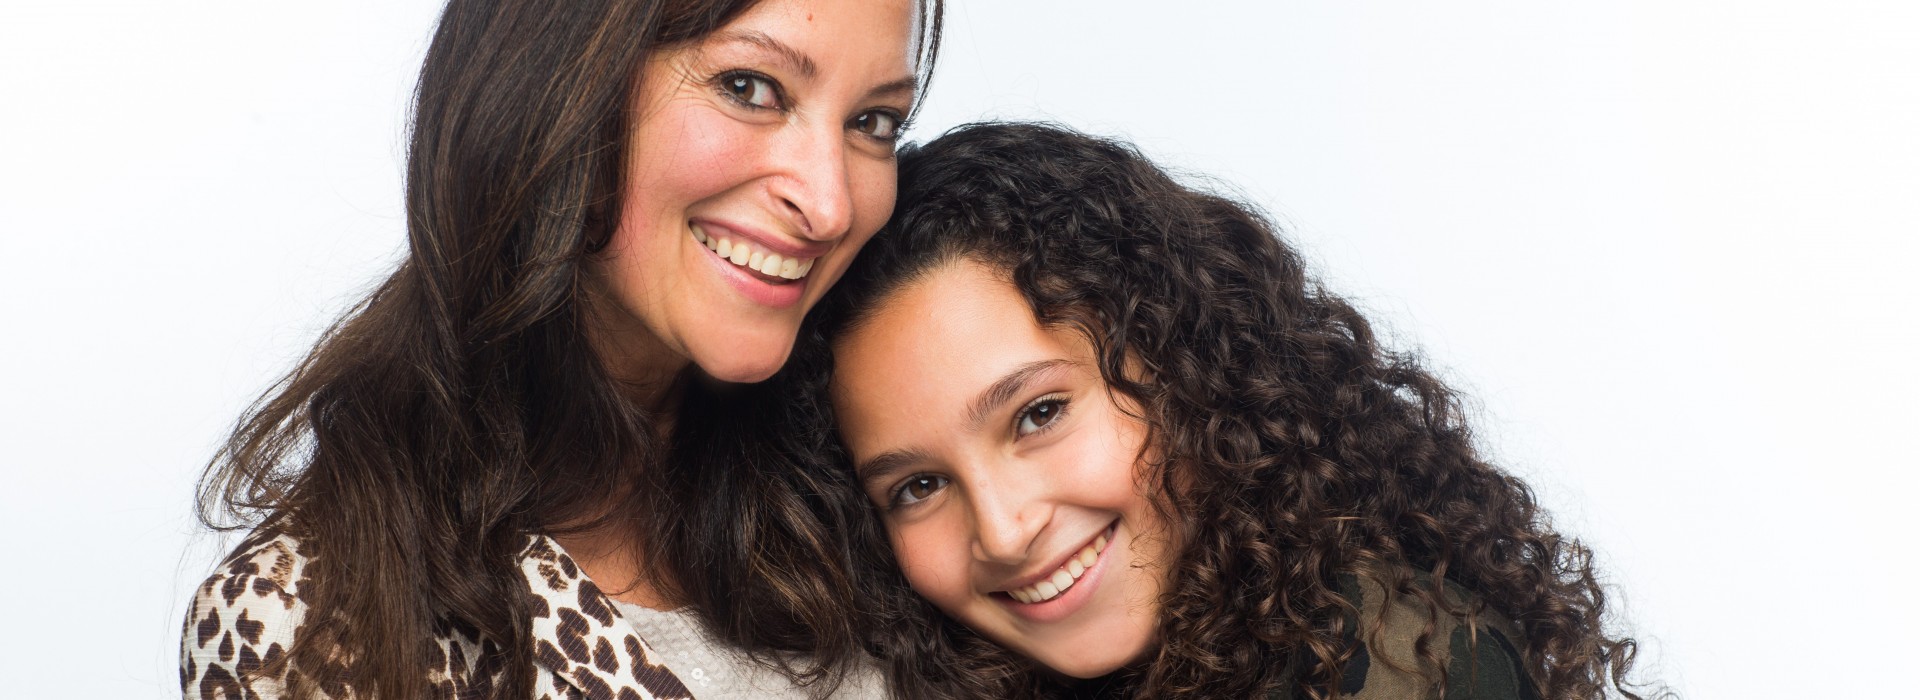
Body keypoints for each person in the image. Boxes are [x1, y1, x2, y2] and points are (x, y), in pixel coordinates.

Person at [180, 1, 941, 698]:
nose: (830, 205)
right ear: (559, 84)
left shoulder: (891, 473)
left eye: (874, 122)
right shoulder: (307, 627)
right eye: (749, 87)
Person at [758, 122, 1656, 698]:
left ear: (1185, 365)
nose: (1002, 530)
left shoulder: (1399, 660)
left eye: (1038, 415)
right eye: (917, 487)